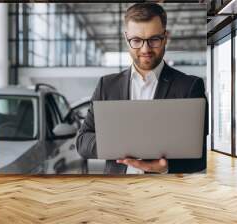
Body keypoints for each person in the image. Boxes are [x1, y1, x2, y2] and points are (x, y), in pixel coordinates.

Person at [76, 3, 208, 174]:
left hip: (167, 193)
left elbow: (204, 153)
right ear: (126, 38)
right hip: (117, 193)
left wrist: (166, 167)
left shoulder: (190, 86)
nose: (145, 49)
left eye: (154, 39)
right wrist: (120, 143)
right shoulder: (106, 86)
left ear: (165, 37)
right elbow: (82, 142)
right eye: (136, 40)